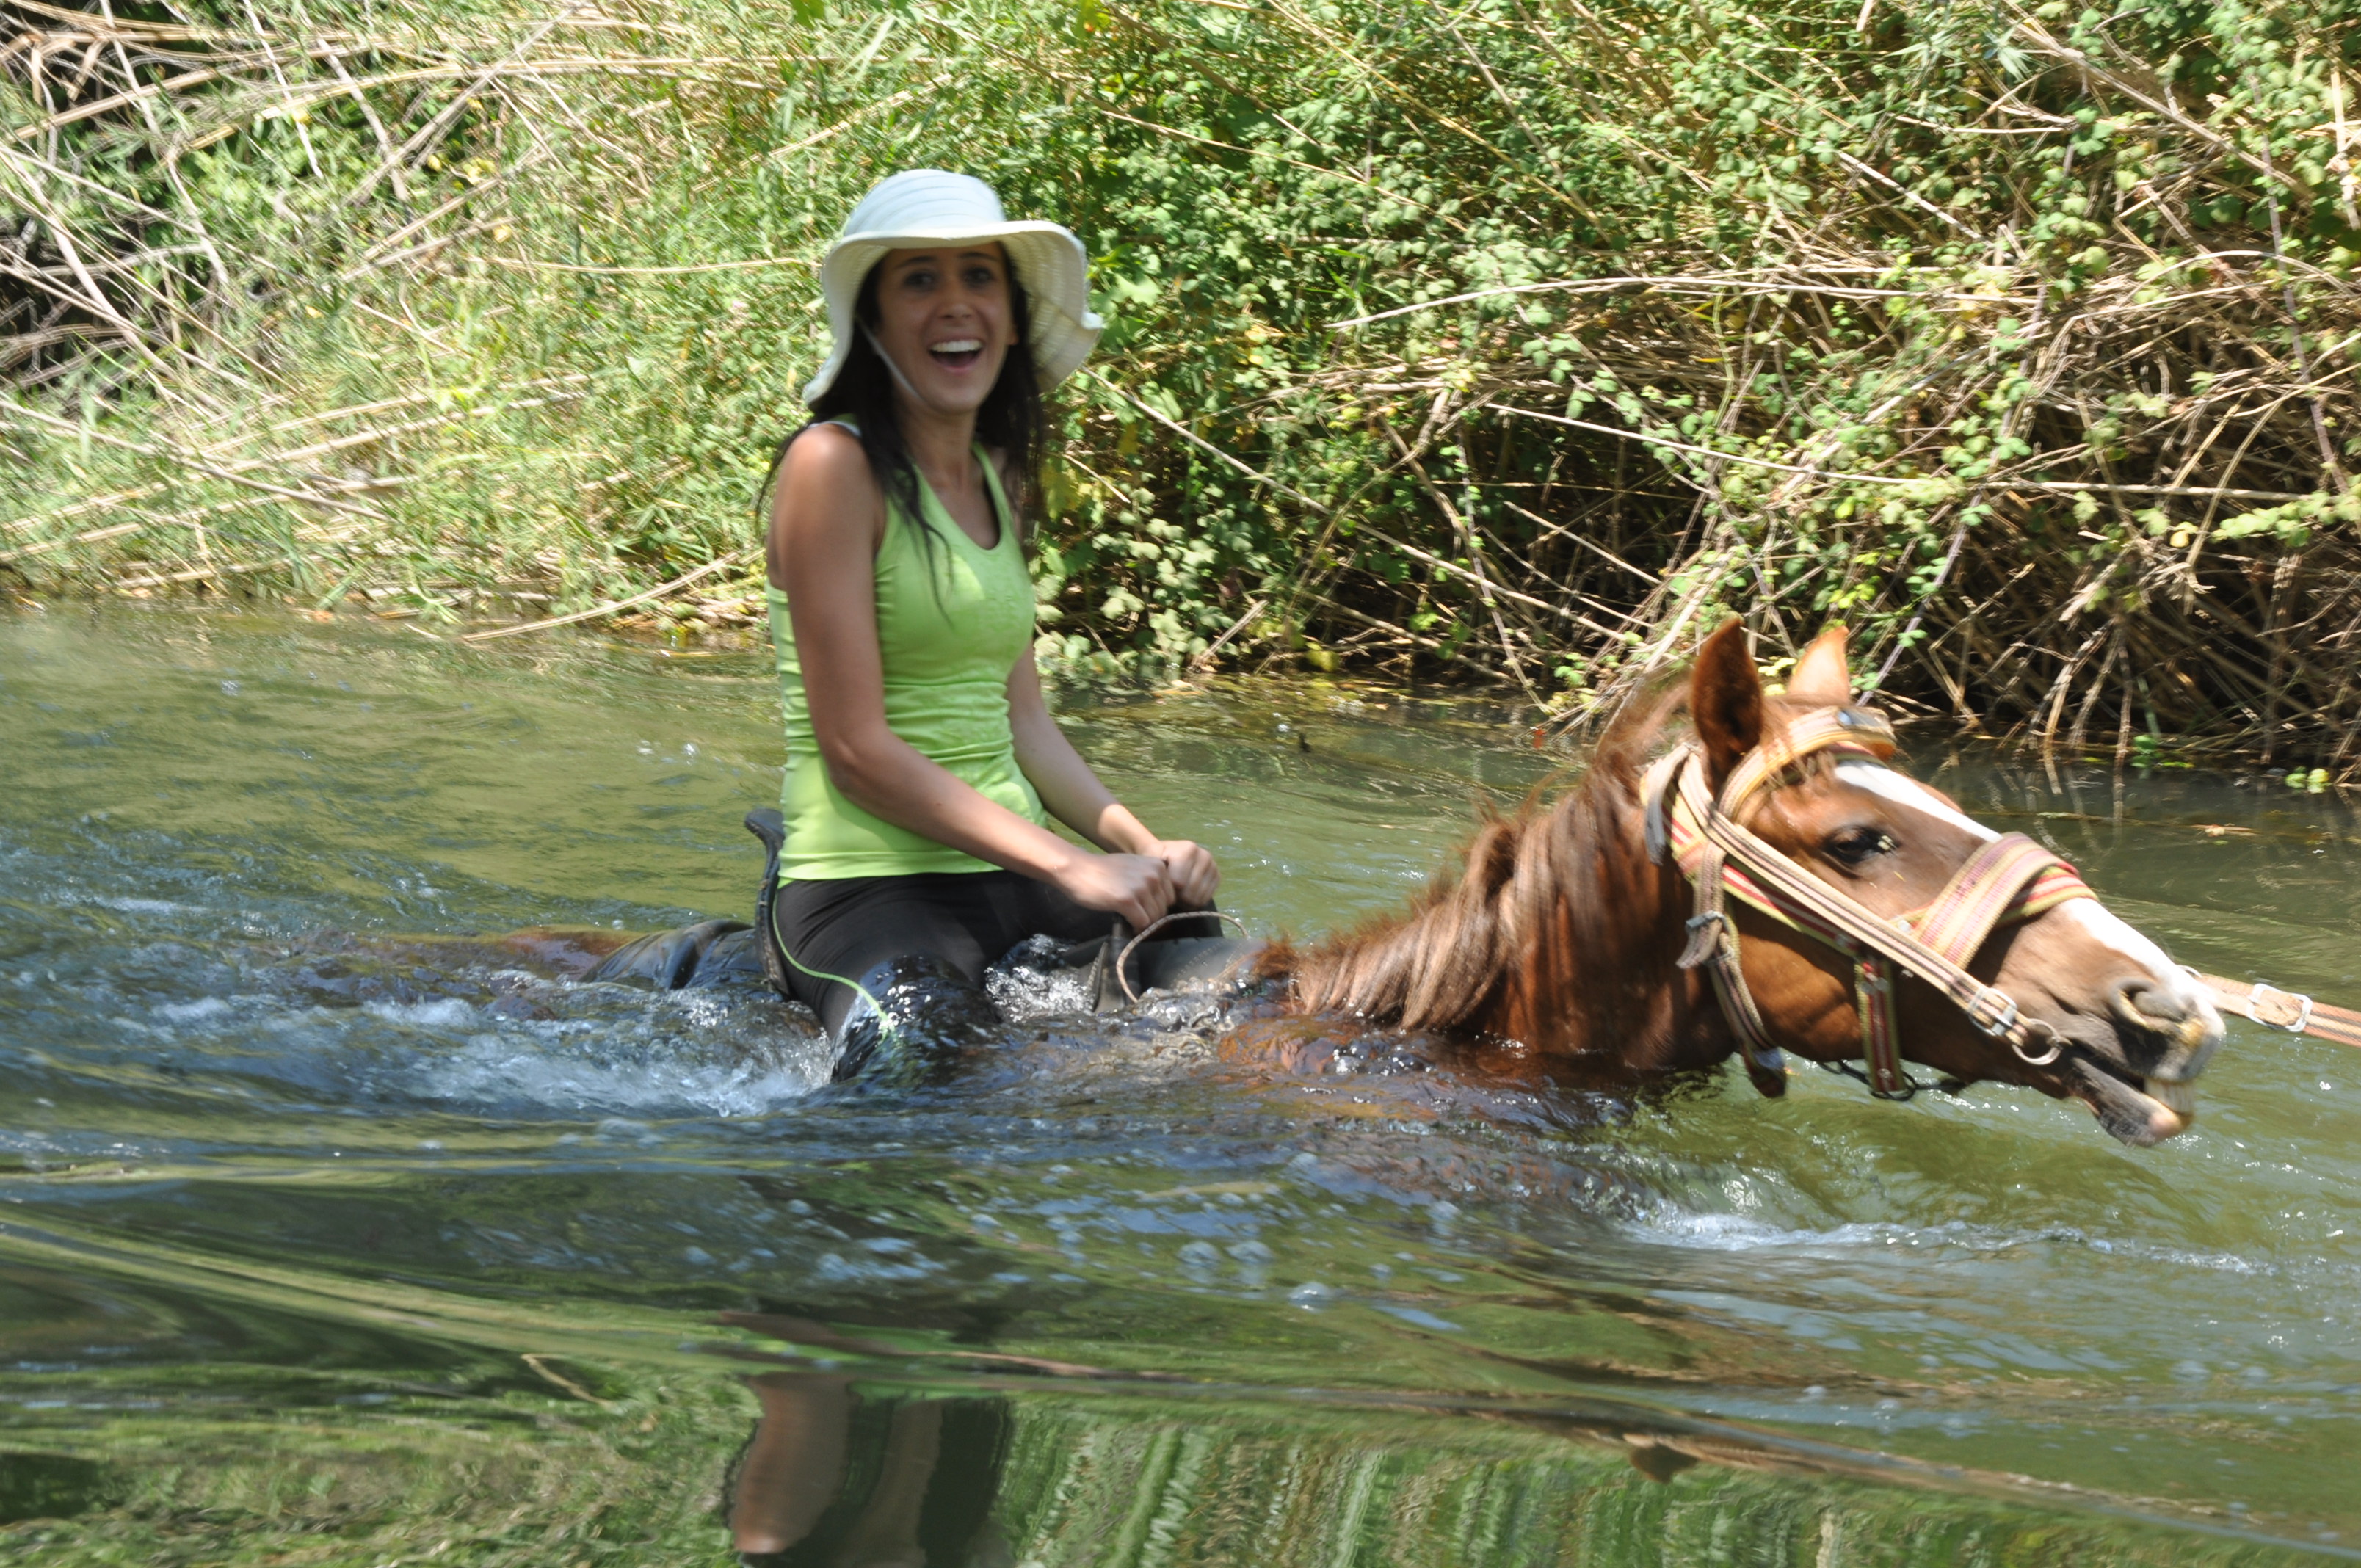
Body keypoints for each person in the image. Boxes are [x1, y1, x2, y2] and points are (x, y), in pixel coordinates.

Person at [761, 170, 1219, 1061]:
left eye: (978, 277)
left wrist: (1143, 846)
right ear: (877, 319)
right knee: (922, 1064)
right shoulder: (830, 467)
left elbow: (1024, 723)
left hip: (1013, 872)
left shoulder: (1001, 480)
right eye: (919, 280)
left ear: (1009, 315)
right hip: (865, 886)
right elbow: (856, 753)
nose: (955, 305)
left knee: (1227, 990)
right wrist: (1071, 866)